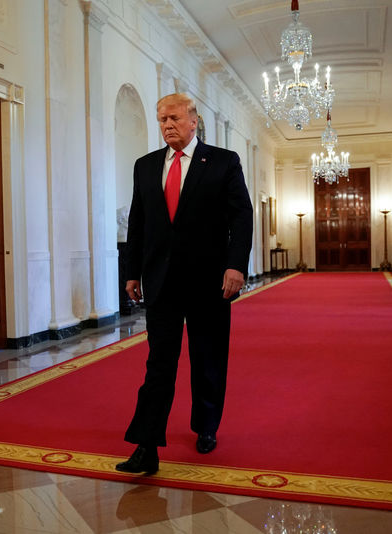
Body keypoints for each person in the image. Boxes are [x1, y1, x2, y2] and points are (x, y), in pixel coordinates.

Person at [116, 93, 253, 475]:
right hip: (161, 281)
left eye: (174, 117)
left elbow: (242, 217)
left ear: (194, 120)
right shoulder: (145, 166)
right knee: (159, 363)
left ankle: (206, 426)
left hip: (211, 281)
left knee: (208, 358)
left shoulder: (223, 162)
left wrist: (236, 266)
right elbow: (137, 223)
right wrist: (131, 272)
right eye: (161, 119)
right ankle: (146, 445)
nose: (167, 125)